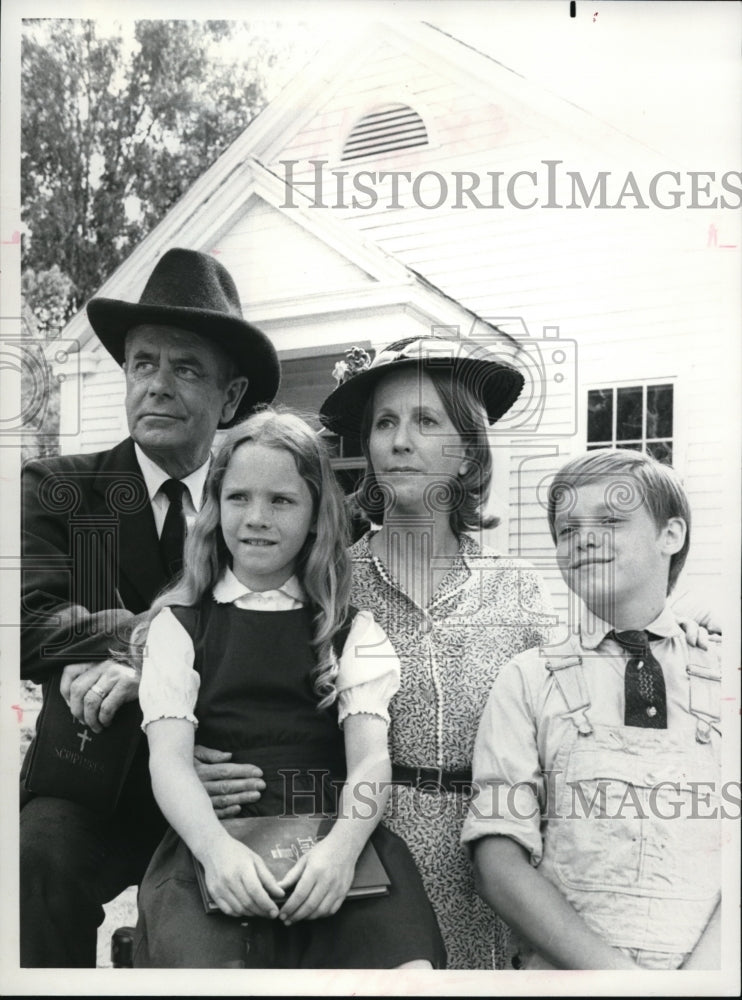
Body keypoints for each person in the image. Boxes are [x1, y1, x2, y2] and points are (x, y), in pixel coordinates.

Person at [20, 247, 280, 967]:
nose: (157, 386)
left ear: (230, 400)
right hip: (90, 777)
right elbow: (28, 622)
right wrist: (153, 642)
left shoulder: (259, 504)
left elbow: (287, 630)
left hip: (221, 776)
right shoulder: (60, 489)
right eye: (143, 364)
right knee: (32, 866)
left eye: (186, 368)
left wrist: (142, 658)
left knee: (246, 915)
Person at [130, 409, 446, 968]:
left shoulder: (351, 630)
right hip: (218, 846)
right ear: (215, 506)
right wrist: (214, 850)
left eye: (281, 501)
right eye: (238, 498)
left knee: (405, 974)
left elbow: (371, 762)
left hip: (329, 844)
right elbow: (170, 763)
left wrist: (342, 852)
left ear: (315, 516)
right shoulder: (179, 628)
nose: (256, 518)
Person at [317, 335, 554, 969]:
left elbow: (562, 739)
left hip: (490, 867)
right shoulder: (331, 583)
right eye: (385, 423)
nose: (400, 441)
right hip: (365, 866)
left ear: (467, 452)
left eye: (426, 421)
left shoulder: (518, 589)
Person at [462, 449, 722, 970]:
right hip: (565, 977)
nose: (582, 537)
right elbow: (497, 861)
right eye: (566, 528)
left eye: (609, 519)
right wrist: (622, 983)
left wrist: (699, 981)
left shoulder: (722, 675)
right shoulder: (529, 679)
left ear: (671, 535)